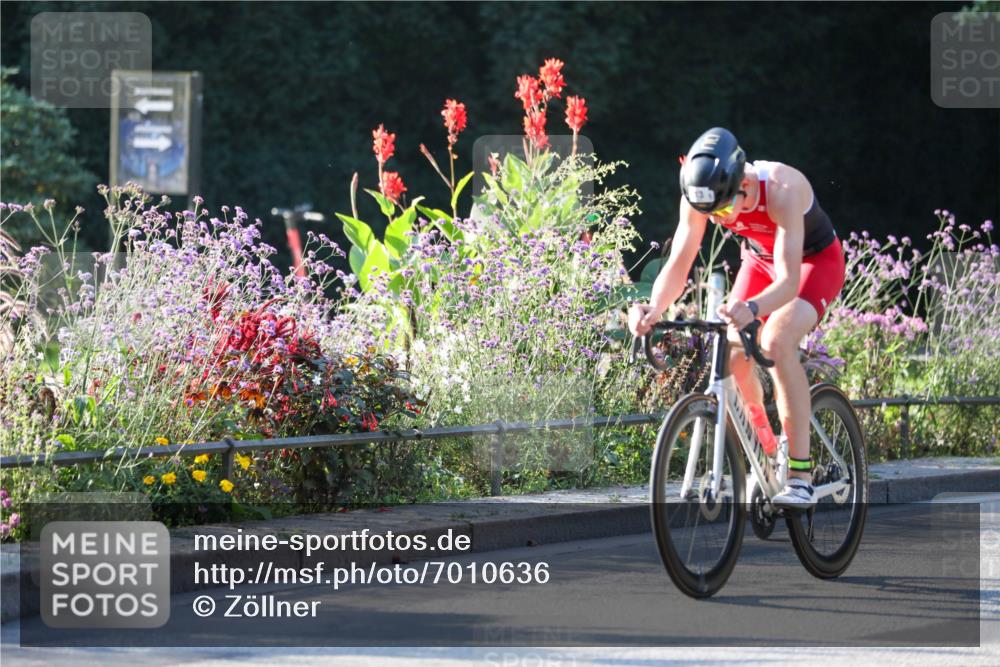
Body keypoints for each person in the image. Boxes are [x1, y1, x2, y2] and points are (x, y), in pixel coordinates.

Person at [628, 127, 846, 507]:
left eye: (724, 211)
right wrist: (654, 308)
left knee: (775, 340)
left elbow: (789, 280)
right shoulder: (704, 197)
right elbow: (680, 261)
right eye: (709, 213)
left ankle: (800, 473)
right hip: (760, 262)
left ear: (743, 182)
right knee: (730, 356)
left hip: (813, 264)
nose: (717, 219)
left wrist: (755, 309)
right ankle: (766, 446)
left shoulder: (782, 190)